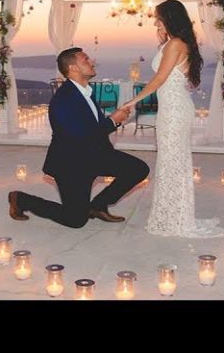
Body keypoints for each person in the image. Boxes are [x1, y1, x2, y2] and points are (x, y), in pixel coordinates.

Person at [120, 0, 224, 238]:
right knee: (170, 161)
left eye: (158, 18)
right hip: (172, 108)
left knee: (172, 162)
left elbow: (159, 79)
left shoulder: (176, 44)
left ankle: (175, 218)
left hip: (174, 111)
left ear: (169, 18)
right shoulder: (173, 43)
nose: (155, 23)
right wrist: (162, 37)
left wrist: (131, 101)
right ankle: (172, 215)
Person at [8, 47, 150, 228]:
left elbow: (91, 127)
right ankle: (21, 199)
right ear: (73, 68)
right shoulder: (64, 99)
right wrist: (113, 121)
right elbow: (81, 136)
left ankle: (98, 206)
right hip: (72, 164)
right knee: (75, 220)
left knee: (138, 169)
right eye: (86, 60)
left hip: (95, 154)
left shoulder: (85, 92)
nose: (92, 62)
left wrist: (114, 119)